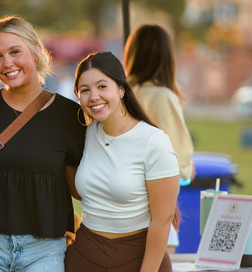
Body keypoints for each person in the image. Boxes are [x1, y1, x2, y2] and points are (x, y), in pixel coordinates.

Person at [0, 16, 86, 271]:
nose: (7, 63)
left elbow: (78, 189)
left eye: (15, 51)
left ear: (37, 51)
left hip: (44, 250)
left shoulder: (70, 116)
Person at [64, 52, 179, 271]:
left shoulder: (154, 142)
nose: (93, 97)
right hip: (84, 256)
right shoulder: (84, 136)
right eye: (84, 90)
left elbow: (162, 221)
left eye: (102, 86)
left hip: (138, 258)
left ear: (121, 89)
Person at [124, 24, 196, 253]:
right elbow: (182, 166)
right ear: (167, 56)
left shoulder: (120, 92)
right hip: (155, 212)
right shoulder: (163, 96)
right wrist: (189, 167)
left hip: (120, 211)